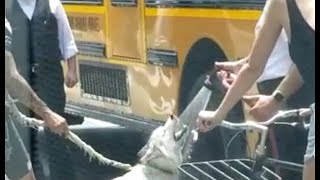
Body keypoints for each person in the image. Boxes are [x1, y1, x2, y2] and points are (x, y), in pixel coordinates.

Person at [197, 0, 314, 179]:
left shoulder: (281, 5)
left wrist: (218, 114)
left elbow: (254, 67)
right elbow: (305, 60)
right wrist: (277, 97)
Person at [6, 0, 79, 179]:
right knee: (26, 139)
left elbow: (67, 39)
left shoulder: (53, 4)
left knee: (56, 135)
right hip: (21, 81)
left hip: (49, 78)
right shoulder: (8, 8)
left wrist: (72, 70)